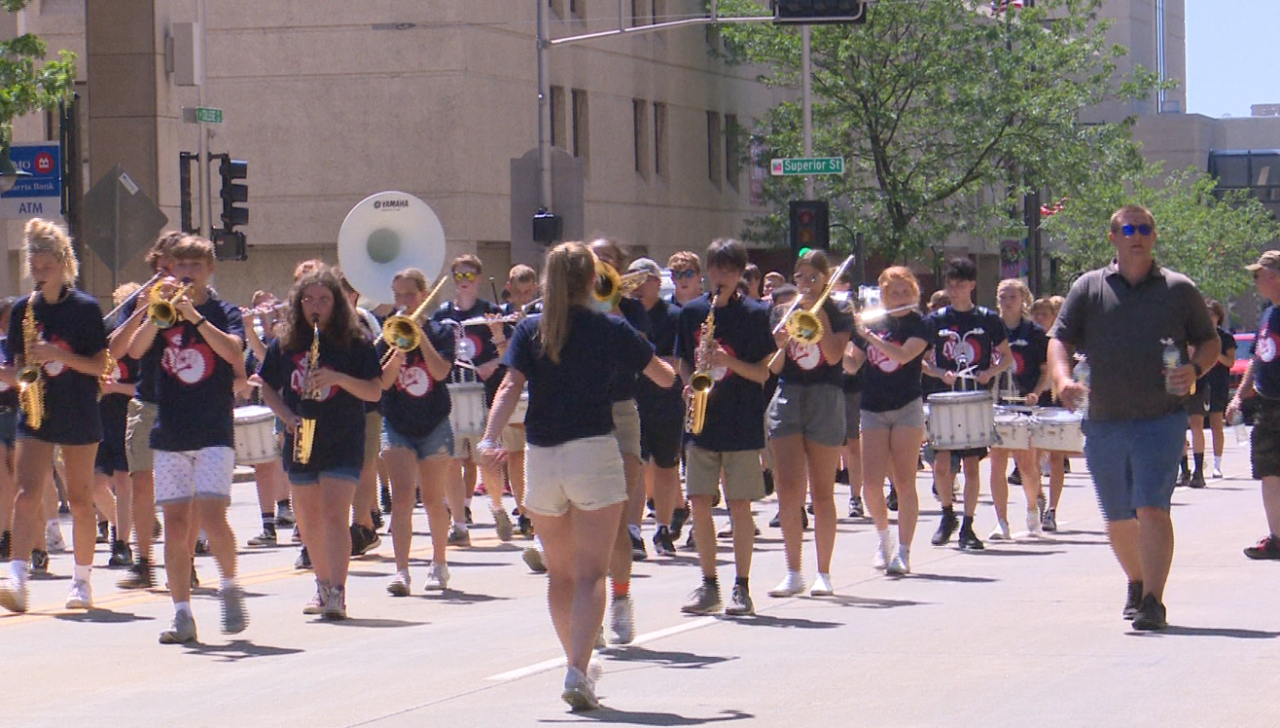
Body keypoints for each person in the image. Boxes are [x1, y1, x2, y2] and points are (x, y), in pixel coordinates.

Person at [478, 241, 673, 711]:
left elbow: (508, 386)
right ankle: (576, 671)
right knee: (591, 575)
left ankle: (577, 664)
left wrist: (488, 439)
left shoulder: (530, 328)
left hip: (543, 457)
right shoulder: (610, 326)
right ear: (594, 279)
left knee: (560, 575)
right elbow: (665, 377)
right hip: (593, 452)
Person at [1051, 204, 1219, 631]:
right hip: (1104, 419)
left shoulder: (1179, 289)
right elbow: (1059, 340)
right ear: (1113, 238)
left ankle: (1153, 602)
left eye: (1145, 228)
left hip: (1160, 419)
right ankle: (1137, 579)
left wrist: (1194, 369)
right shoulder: (1089, 288)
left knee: (1152, 507)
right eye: (1128, 229)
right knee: (1118, 516)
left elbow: (1209, 340)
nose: (1137, 235)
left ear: (1154, 236)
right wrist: (1062, 378)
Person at [126, 235, 250, 642]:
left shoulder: (222, 311)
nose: (188, 273)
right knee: (176, 524)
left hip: (214, 429)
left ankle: (230, 585)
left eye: (196, 266)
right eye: (182, 266)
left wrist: (194, 317)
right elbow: (133, 348)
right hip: (171, 432)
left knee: (213, 515)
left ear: (209, 269)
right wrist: (152, 315)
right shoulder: (163, 313)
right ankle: (182, 614)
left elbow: (233, 352)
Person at [259, 267, 382, 618]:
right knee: (308, 520)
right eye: (309, 299)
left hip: (343, 433)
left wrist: (338, 378)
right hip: (302, 433)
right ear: (298, 303)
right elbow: (266, 385)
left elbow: (374, 390)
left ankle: (338, 592)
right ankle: (322, 584)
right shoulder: (285, 342)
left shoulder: (355, 342)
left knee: (334, 515)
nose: (316, 306)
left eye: (324, 300)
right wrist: (286, 416)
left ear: (337, 304)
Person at [0, 219, 107, 613]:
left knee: (80, 499)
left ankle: (81, 581)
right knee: (26, 494)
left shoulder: (85, 308)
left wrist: (60, 356)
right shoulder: (22, 312)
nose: (39, 273)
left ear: (63, 263)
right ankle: (17, 577)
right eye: (35, 266)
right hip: (36, 411)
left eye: (46, 266)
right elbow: (19, 370)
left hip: (78, 408)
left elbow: (100, 366)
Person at [674, 239, 774, 616]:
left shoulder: (752, 314)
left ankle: (742, 586)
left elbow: (763, 371)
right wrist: (688, 383)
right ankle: (709, 582)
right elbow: (683, 360)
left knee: (739, 505)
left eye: (728, 270)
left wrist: (726, 361)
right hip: (701, 419)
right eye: (715, 268)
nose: (721, 276)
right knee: (699, 501)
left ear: (739, 274)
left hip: (741, 419)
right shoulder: (691, 313)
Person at [767, 249, 854, 598]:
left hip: (825, 396)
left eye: (812, 278)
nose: (804, 284)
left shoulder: (841, 310)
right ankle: (792, 570)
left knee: (822, 492)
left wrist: (818, 316)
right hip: (789, 395)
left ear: (825, 278)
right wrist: (783, 337)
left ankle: (823, 571)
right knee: (788, 491)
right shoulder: (781, 312)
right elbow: (773, 368)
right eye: (799, 277)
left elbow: (834, 356)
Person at [922, 257, 1013, 551]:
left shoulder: (987, 319)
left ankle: (968, 525)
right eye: (951, 284)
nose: (955, 289)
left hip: (975, 399)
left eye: (961, 284)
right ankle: (947, 514)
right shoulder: (936, 321)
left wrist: (990, 371)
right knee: (941, 466)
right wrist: (938, 373)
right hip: (945, 399)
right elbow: (920, 359)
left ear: (972, 285)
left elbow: (1006, 357)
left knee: (972, 467)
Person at [847, 266, 932, 574]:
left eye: (905, 292)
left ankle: (905, 551)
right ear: (882, 295)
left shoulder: (921, 324)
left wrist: (869, 336)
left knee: (904, 481)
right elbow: (852, 364)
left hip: (907, 405)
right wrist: (834, 340)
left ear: (915, 294)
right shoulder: (872, 323)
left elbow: (903, 356)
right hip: (872, 407)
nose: (899, 297)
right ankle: (884, 539)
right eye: (893, 293)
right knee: (871, 484)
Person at [588, 238, 651, 643]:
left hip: (621, 407)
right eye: (595, 261)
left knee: (616, 520)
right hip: (583, 412)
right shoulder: (574, 306)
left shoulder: (631, 309)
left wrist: (610, 304)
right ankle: (589, 613)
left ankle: (621, 600)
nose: (601, 267)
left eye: (607, 261)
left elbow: (641, 354)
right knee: (587, 523)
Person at [380, 268, 457, 593]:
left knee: (433, 499)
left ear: (423, 295)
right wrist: (396, 355)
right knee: (401, 498)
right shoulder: (387, 333)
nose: (403, 301)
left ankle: (439, 563)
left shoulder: (441, 331)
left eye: (409, 295)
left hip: (434, 423)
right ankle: (401, 571)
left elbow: (440, 372)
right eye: (397, 295)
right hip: (398, 424)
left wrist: (418, 334)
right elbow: (381, 383)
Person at [112, 232, 181, 589]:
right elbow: (119, 349)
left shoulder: (199, 300)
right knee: (142, 482)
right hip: (147, 399)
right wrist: (141, 308)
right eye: (163, 266)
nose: (169, 273)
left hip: (185, 402)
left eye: (176, 265)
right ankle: (143, 562)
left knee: (181, 487)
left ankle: (182, 559)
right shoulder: (143, 298)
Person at [431, 254, 511, 545]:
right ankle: (459, 524)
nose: (464, 282)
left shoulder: (490, 311)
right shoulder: (442, 314)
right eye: (458, 276)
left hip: (483, 393)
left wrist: (494, 362)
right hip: (450, 393)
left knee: (486, 459)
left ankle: (498, 508)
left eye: (469, 276)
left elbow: (508, 354)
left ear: (478, 278)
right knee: (452, 461)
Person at [627, 257, 686, 558]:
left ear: (656, 282)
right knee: (636, 467)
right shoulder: (624, 314)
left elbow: (676, 364)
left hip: (664, 399)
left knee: (665, 466)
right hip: (632, 398)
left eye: (643, 278)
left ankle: (663, 528)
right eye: (631, 279)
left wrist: (643, 352)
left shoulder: (673, 316)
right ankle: (633, 531)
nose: (636, 285)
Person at [987, 278, 1048, 540]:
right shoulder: (990, 328)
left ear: (1022, 299)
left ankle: (1033, 509)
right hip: (997, 403)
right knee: (996, 462)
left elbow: (1045, 370)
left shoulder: (1033, 331)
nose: (1006, 301)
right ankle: (1001, 521)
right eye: (1002, 296)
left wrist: (1037, 392)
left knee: (1026, 463)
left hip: (1024, 404)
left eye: (1012, 296)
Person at [1228, 252, 1280, 560]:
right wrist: (1239, 396)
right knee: (1269, 471)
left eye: (1257, 275)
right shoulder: (1268, 314)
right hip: (1267, 404)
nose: (1255, 281)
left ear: (1272, 276)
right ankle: (1276, 538)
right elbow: (1259, 358)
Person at [97, 283, 143, 568]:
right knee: (93, 484)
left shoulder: (144, 342)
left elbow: (147, 387)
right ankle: (122, 524)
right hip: (101, 414)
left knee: (124, 480)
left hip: (130, 414)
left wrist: (117, 388)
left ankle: (122, 542)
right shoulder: (106, 336)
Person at [1031, 296, 1068, 530]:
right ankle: (1038, 495)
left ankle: (1052, 510)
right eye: (1036, 314)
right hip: (1035, 402)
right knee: (1032, 458)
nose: (1039, 319)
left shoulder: (1060, 341)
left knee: (1056, 457)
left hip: (1055, 402)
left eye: (1044, 314)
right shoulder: (1031, 339)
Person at [1204, 300, 1235, 479]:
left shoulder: (1226, 337)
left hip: (1218, 382)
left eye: (1211, 314)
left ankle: (1217, 464)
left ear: (1218, 316)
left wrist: (1216, 355)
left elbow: (1231, 362)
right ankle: (1198, 464)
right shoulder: (1198, 336)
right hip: (1200, 382)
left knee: (1216, 423)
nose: (1209, 318)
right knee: (1195, 424)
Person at [0, 298, 17, 562]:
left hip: (19, 410)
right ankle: (5, 534)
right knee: (3, 476)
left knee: (18, 478)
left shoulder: (19, 344)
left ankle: (36, 543)